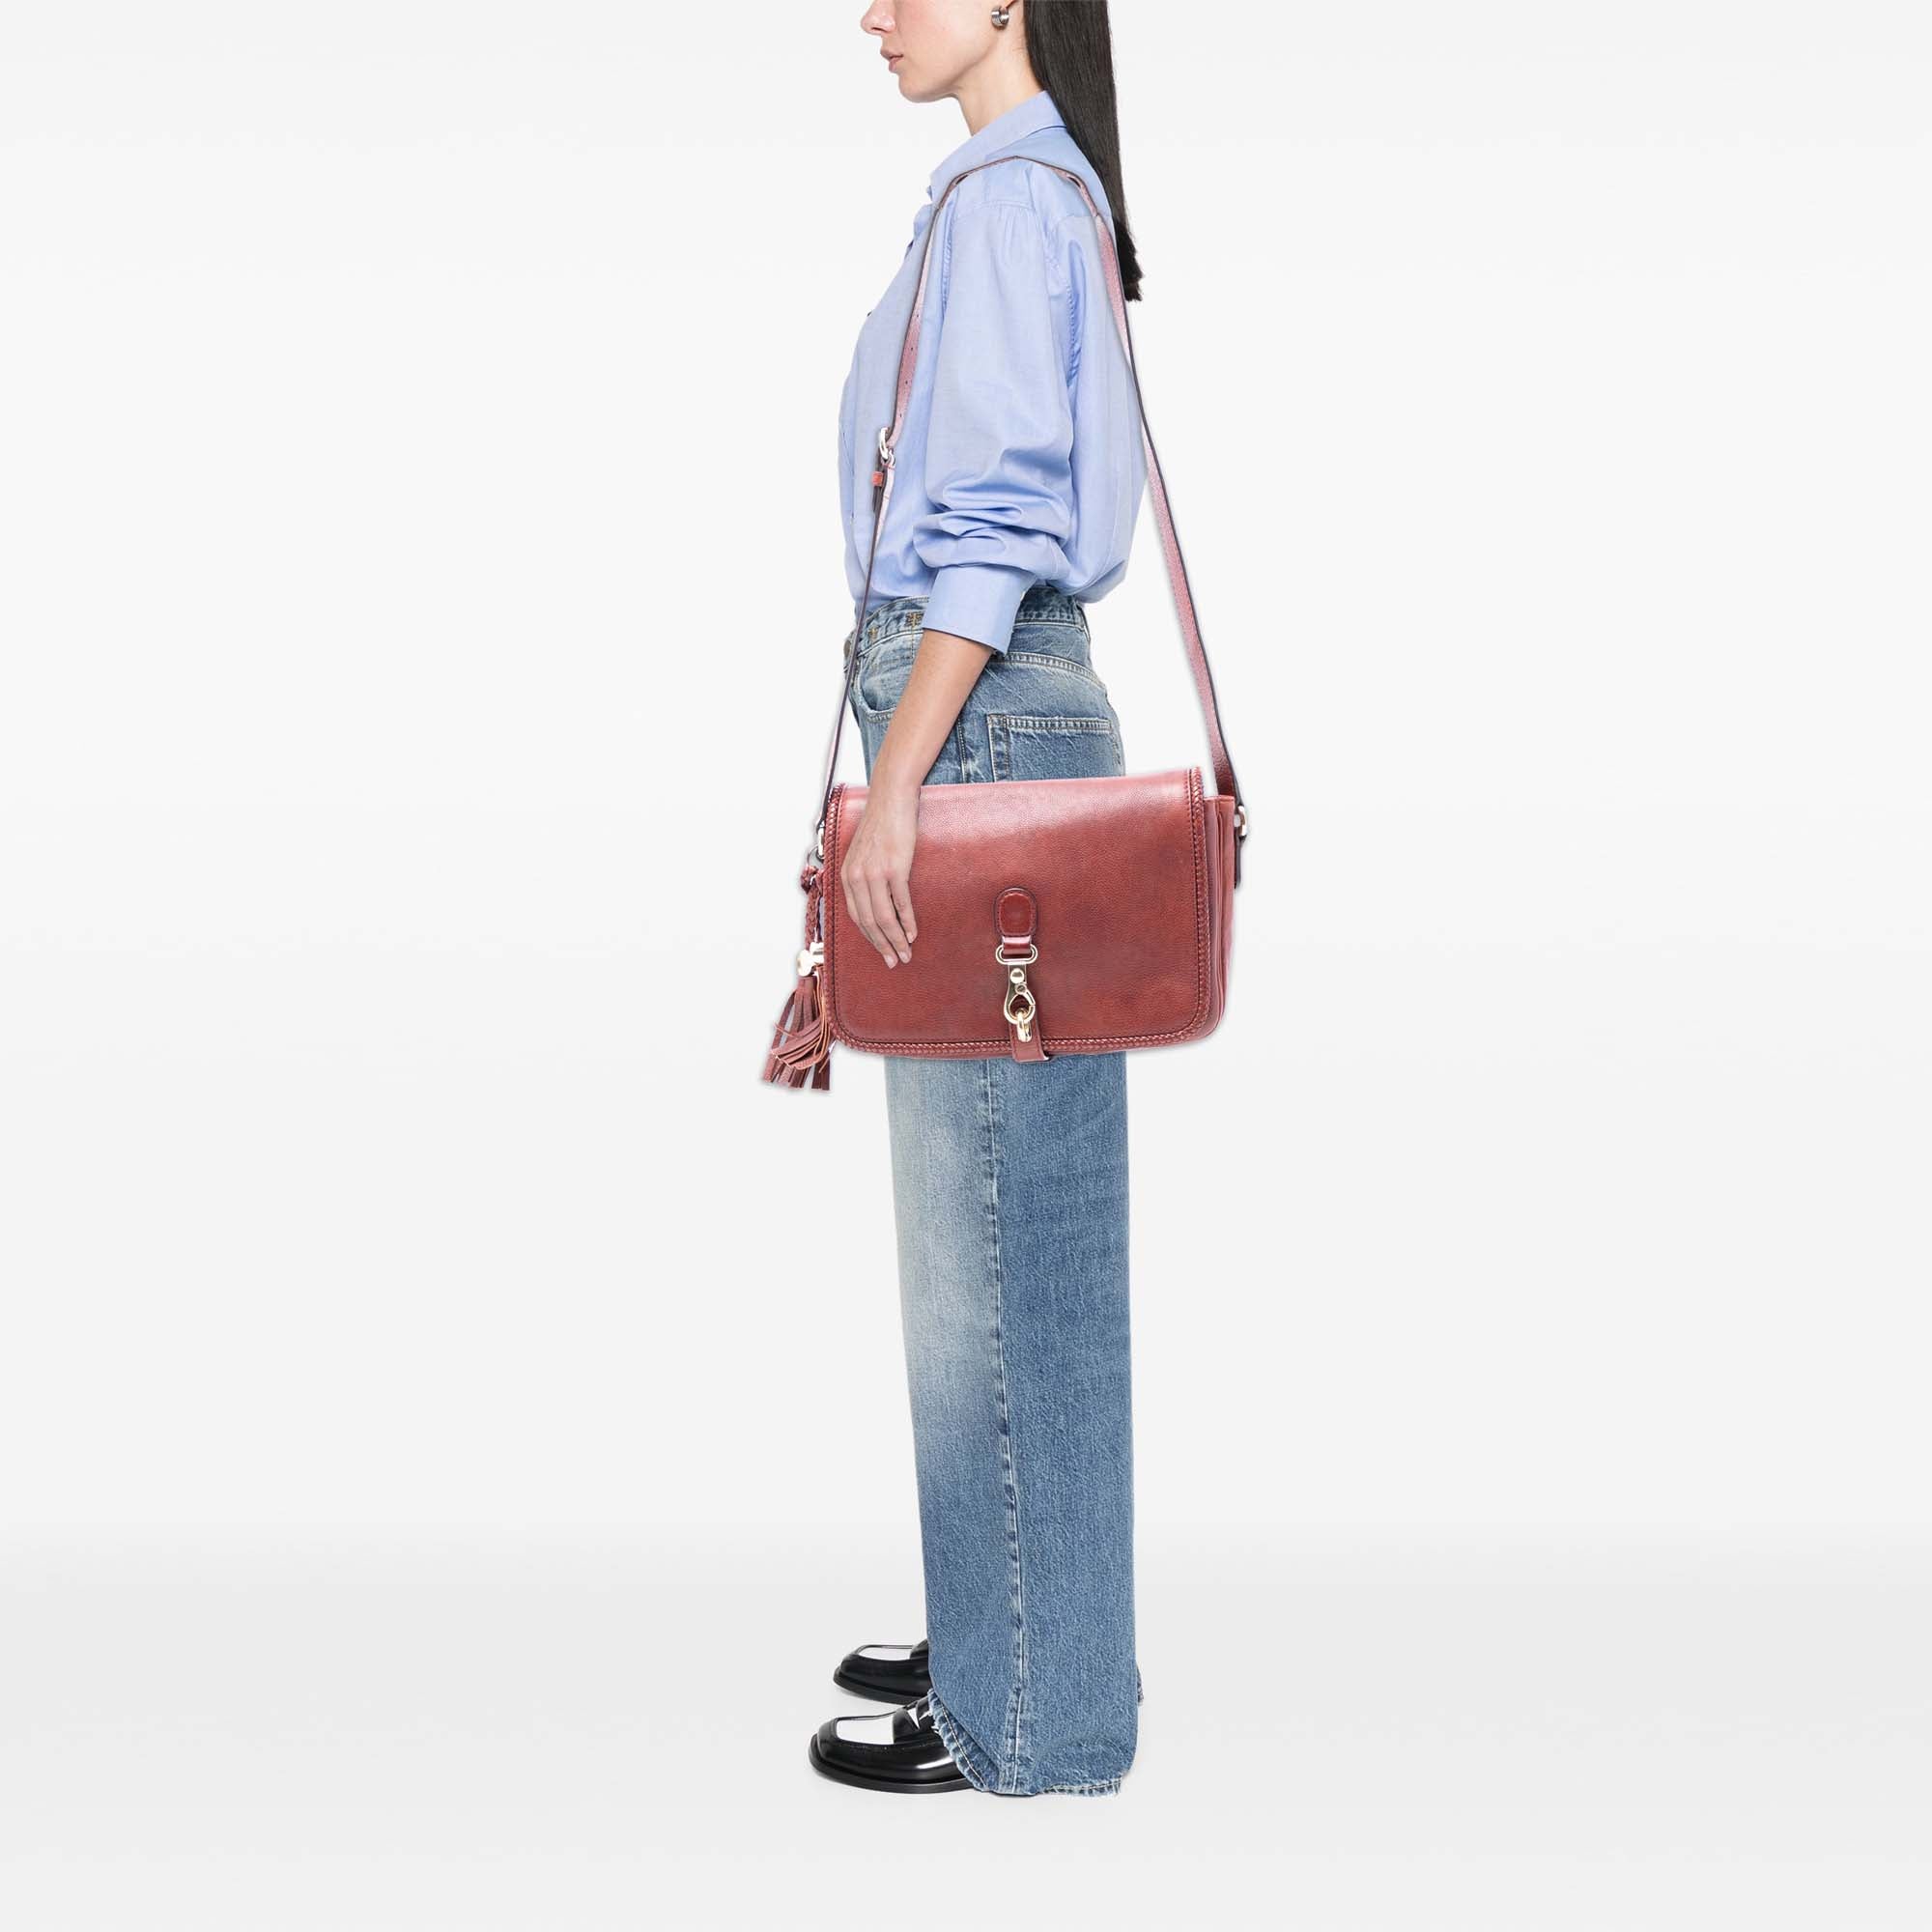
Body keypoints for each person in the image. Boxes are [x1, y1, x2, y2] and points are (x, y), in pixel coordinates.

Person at [806, 1, 1151, 1798]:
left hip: (977, 719)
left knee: (1000, 1239)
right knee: (999, 1234)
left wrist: (901, 783)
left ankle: (1032, 1716)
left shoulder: (1013, 199)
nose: (873, 12)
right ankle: (1015, 1628)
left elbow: (998, 523)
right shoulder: (1014, 191)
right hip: (987, 710)